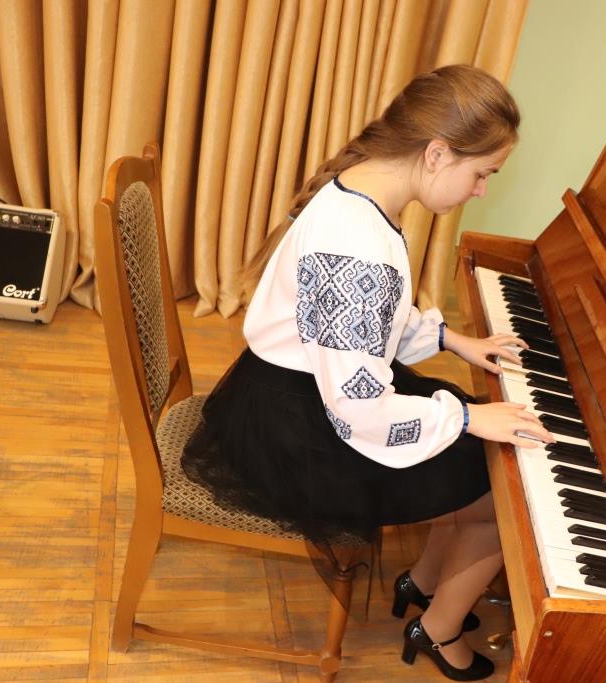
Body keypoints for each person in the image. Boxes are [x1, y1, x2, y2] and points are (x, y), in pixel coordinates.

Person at [181, 64, 554, 681]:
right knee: (504, 490)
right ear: (437, 154)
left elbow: (363, 323)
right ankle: (437, 630)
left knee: (471, 435)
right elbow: (359, 406)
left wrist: (450, 339)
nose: (482, 190)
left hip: (289, 393)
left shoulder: (363, 190)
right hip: (295, 430)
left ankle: (424, 583)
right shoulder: (356, 245)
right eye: (483, 173)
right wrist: (467, 417)